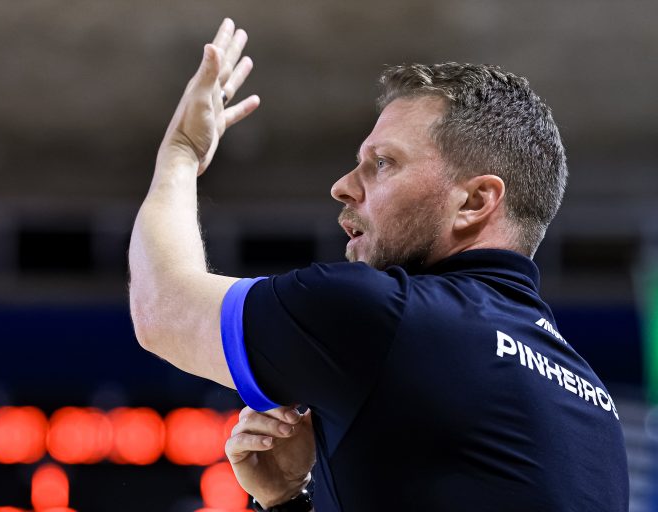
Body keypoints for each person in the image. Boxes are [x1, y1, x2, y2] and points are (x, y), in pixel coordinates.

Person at [128, 18, 628, 512]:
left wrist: (181, 152)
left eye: (383, 163)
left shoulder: (388, 316)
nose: (342, 186)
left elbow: (162, 309)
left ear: (475, 201)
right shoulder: (595, 411)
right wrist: (286, 501)